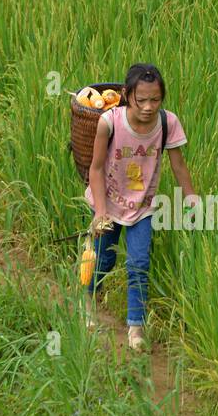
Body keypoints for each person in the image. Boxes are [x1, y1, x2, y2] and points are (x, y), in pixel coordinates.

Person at [84, 62, 198, 351]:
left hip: (143, 208)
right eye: (141, 99)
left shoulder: (167, 123)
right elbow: (95, 169)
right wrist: (99, 213)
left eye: (155, 99)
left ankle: (136, 327)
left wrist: (191, 197)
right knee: (103, 260)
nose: (148, 106)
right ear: (126, 95)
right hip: (107, 203)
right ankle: (87, 303)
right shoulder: (109, 122)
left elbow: (179, 165)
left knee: (138, 263)